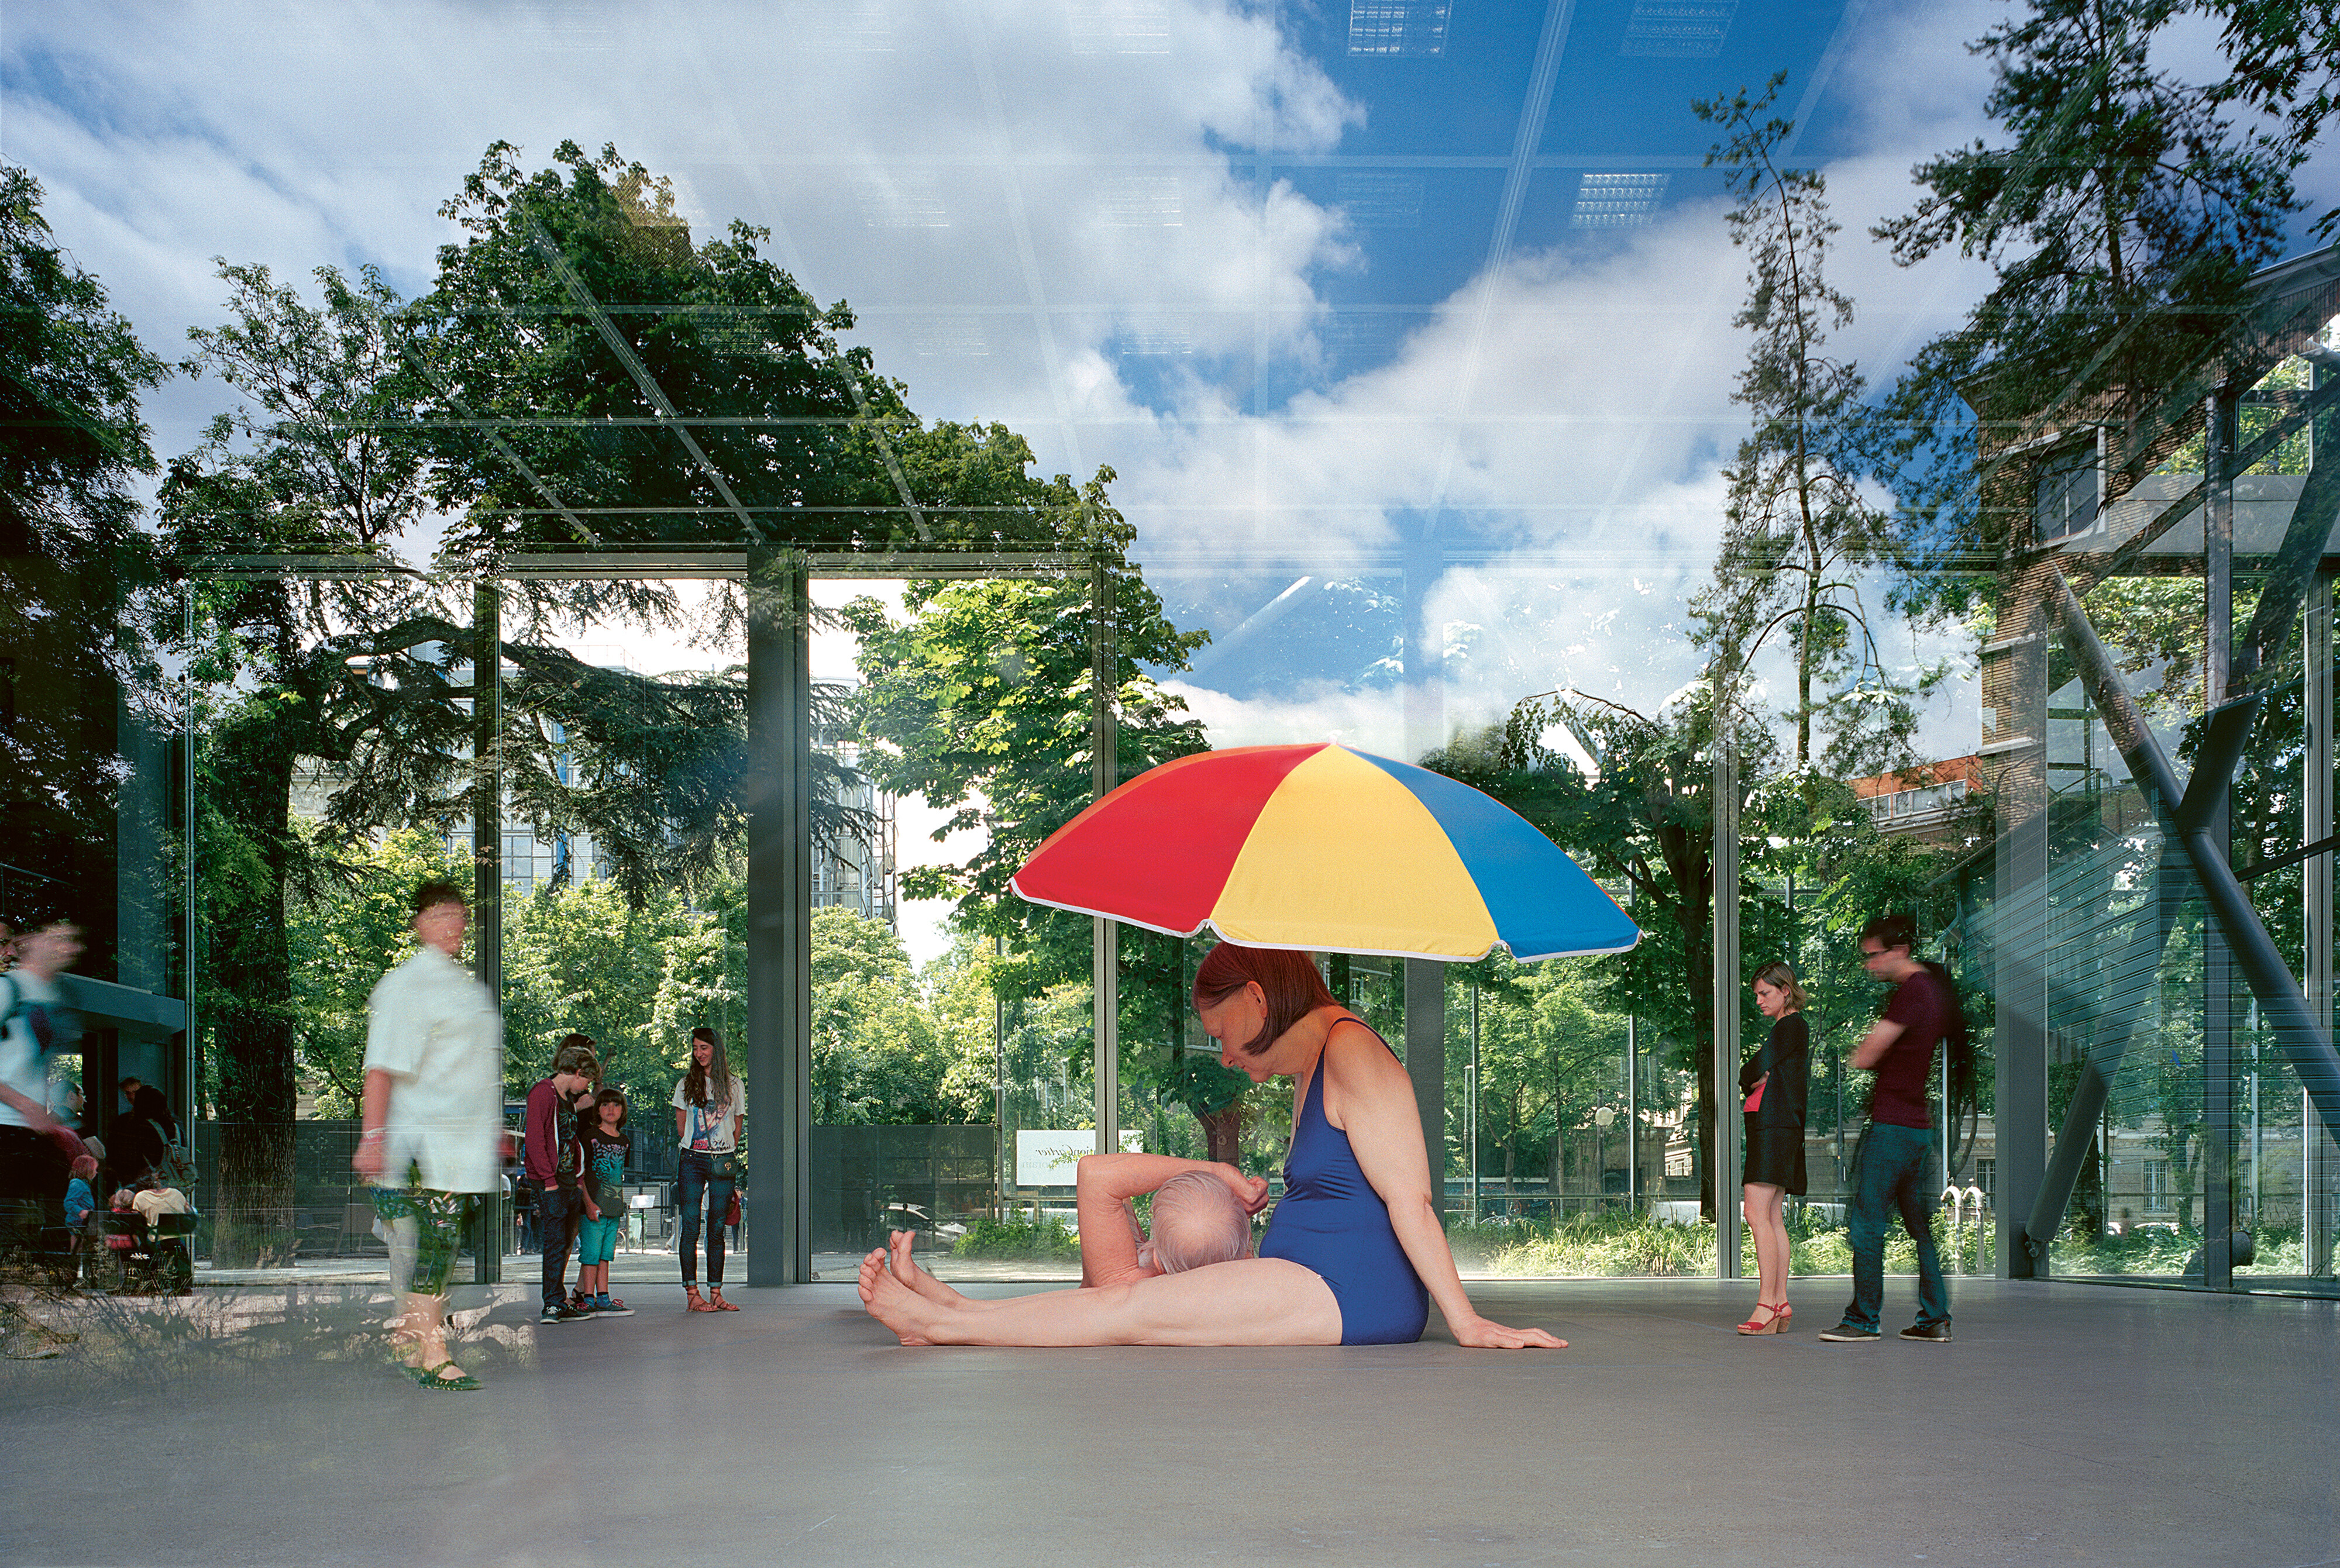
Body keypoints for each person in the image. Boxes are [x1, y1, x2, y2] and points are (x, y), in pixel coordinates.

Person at [856, 944, 1565, 1349]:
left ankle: (942, 1323)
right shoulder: (1317, 1062)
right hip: (1316, 1277)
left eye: (1220, 1033)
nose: (1223, 1056)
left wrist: (1465, 1319)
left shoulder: (1354, 1052)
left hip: (1351, 1292)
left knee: (1131, 1313)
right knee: (1126, 1302)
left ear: (1258, 998)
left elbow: (1410, 1197)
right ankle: (950, 1312)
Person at [354, 881, 504, 1391]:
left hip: (458, 1147)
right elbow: (381, 1068)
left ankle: (417, 1340)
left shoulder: (464, 990)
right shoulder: (406, 986)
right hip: (421, 1146)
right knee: (431, 1247)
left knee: (439, 1248)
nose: (453, 924)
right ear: (420, 922)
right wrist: (372, 1137)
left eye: (459, 914)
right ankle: (430, 1348)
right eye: (440, 914)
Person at [881, 1151, 1258, 1312]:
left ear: (1157, 1257)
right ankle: (934, 1297)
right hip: (1161, 1267)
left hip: (1098, 1296)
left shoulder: (1127, 1284)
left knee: (988, 1315)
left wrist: (1218, 1171)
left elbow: (1096, 1173)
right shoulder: (1237, 1273)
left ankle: (934, 1300)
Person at [1820, 915, 1954, 1345]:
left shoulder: (1912, 992)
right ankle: (1934, 1318)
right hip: (1917, 1130)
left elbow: (1867, 1053)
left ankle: (1863, 1319)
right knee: (1919, 1226)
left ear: (1899, 950)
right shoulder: (1930, 991)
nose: (1869, 964)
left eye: (1873, 955)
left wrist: (1861, 1049)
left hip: (1893, 1128)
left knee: (1867, 1224)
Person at [0, 918, 85, 1357]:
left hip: (31, 1134)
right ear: (29, 942)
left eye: (72, 941)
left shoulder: (54, 998)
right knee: (13, 1234)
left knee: (44, 1233)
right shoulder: (9, 989)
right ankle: (15, 1332)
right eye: (58, 936)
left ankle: (25, 1326)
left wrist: (55, 1120)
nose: (68, 947)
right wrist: (24, 1104)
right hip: (5, 1128)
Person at [1736, 961, 1811, 1335]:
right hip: (1779, 1127)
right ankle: (1779, 1302)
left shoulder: (1789, 1026)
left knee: (1755, 1212)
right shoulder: (1793, 1029)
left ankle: (1767, 1304)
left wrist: (1752, 1076)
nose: (1759, 1001)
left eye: (1765, 993)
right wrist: (1760, 1074)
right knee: (1771, 1215)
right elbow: (1763, 1070)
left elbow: (1750, 1071)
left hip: (1773, 1127)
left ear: (1785, 990)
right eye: (1756, 995)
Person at [524, 1035, 600, 1325]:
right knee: (555, 1242)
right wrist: (549, 1181)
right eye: (588, 1080)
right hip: (552, 1182)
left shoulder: (565, 1099)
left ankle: (557, 1300)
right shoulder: (542, 1094)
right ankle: (552, 1305)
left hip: (568, 1181)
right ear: (578, 1072)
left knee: (563, 1243)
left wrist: (576, 1179)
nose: (588, 1088)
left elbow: (566, 1138)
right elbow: (535, 1141)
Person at [673, 1026, 745, 1313]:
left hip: (723, 1160)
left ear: (716, 1049)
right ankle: (693, 1294)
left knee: (717, 1227)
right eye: (695, 1048)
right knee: (691, 1226)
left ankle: (716, 1293)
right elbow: (682, 1126)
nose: (699, 1053)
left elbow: (738, 1124)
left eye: (704, 1047)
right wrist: (701, 1145)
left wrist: (725, 1147)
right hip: (692, 1159)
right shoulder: (685, 1084)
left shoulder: (735, 1084)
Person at [575, 1087, 633, 1317]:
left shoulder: (625, 1141)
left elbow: (619, 1175)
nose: (611, 1109)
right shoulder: (589, 1136)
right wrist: (588, 1203)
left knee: (606, 1255)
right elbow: (581, 1173)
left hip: (613, 1207)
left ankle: (603, 1297)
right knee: (590, 1253)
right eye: (605, 1105)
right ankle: (587, 1298)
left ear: (623, 1110)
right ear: (597, 1109)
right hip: (593, 1206)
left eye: (616, 1105)